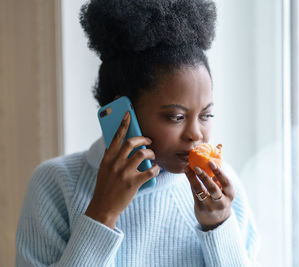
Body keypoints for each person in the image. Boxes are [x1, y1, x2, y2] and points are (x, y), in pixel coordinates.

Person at [15, 0, 260, 266]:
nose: (196, 134)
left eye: (206, 115)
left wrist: (219, 226)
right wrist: (102, 214)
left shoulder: (221, 192)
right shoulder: (55, 184)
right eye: (176, 117)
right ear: (125, 113)